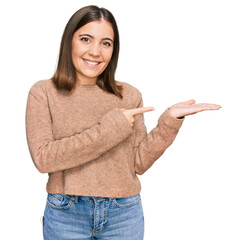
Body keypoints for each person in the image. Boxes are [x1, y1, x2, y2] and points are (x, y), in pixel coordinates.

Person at [25, 5, 221, 240]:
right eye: (86, 39)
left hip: (123, 214)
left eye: (106, 43)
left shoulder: (128, 95)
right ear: (69, 41)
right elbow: (44, 159)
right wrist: (112, 128)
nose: (96, 52)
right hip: (67, 212)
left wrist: (170, 120)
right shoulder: (43, 92)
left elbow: (138, 163)